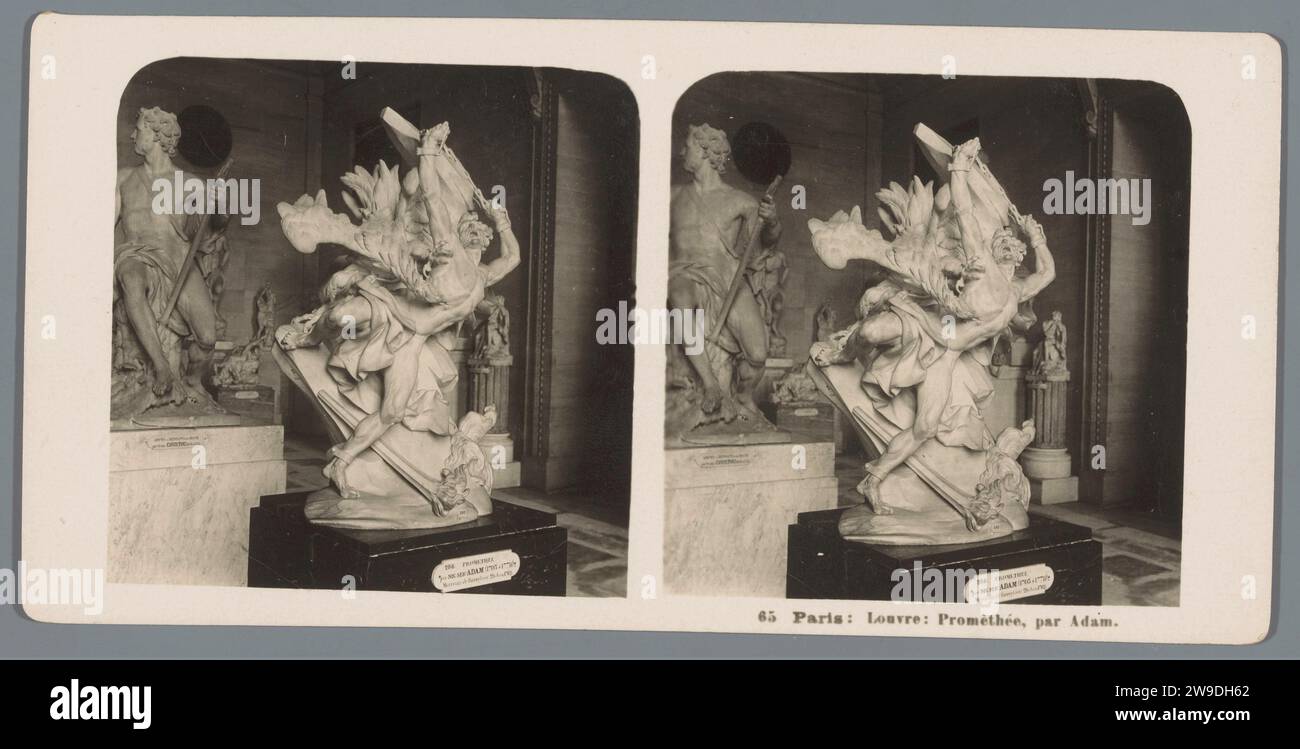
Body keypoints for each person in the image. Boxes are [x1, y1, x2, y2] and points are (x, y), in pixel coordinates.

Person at [668, 123, 781, 422]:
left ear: (705, 151)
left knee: (758, 354)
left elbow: (767, 241)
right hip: (686, 274)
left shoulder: (740, 201)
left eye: (687, 146)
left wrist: (771, 221)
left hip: (729, 280)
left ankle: (743, 397)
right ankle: (711, 385)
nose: (681, 152)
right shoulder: (672, 196)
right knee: (679, 296)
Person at [113, 106, 224, 407]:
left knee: (208, 337)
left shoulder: (190, 183)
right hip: (137, 254)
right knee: (130, 278)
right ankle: (162, 368)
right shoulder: (123, 179)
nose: (132, 134)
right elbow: (100, 230)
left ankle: (192, 381)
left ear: (157, 135)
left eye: (139, 129)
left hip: (179, 261)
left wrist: (218, 207)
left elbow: (205, 229)